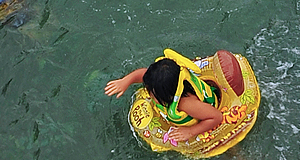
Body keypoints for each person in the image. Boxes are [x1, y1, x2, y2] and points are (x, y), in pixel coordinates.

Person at [104, 50, 246, 145]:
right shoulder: (166, 81)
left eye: (152, 92)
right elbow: (143, 74)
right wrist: (125, 81)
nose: (148, 92)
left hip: (209, 114)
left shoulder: (187, 104)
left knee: (229, 150)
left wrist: (190, 131)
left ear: (168, 95)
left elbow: (216, 117)